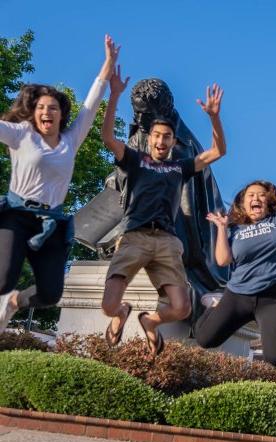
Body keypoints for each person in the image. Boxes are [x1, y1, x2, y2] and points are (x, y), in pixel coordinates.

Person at [100, 64, 226, 356]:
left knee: (182, 307)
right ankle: (121, 313)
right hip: (134, 236)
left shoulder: (179, 165)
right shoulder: (134, 155)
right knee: (108, 304)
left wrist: (215, 118)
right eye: (154, 134)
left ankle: (150, 322)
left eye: (165, 137)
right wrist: (114, 95)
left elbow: (218, 152)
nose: (158, 140)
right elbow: (108, 138)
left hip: (167, 239)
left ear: (170, 138)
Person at [0, 35, 119, 330]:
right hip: (16, 216)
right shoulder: (20, 134)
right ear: (33, 112)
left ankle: (15, 302)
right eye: (41, 107)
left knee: (50, 294)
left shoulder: (70, 141)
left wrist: (107, 65)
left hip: (51, 222)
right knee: (2, 277)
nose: (46, 112)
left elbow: (91, 105)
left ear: (61, 113)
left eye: (52, 108)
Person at [193, 138, 276, 367]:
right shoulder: (235, 229)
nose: (256, 198)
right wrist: (221, 228)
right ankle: (216, 304)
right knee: (204, 339)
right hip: (238, 294)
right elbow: (223, 259)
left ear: (268, 201)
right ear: (243, 202)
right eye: (251, 195)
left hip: (274, 296)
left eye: (261, 195)